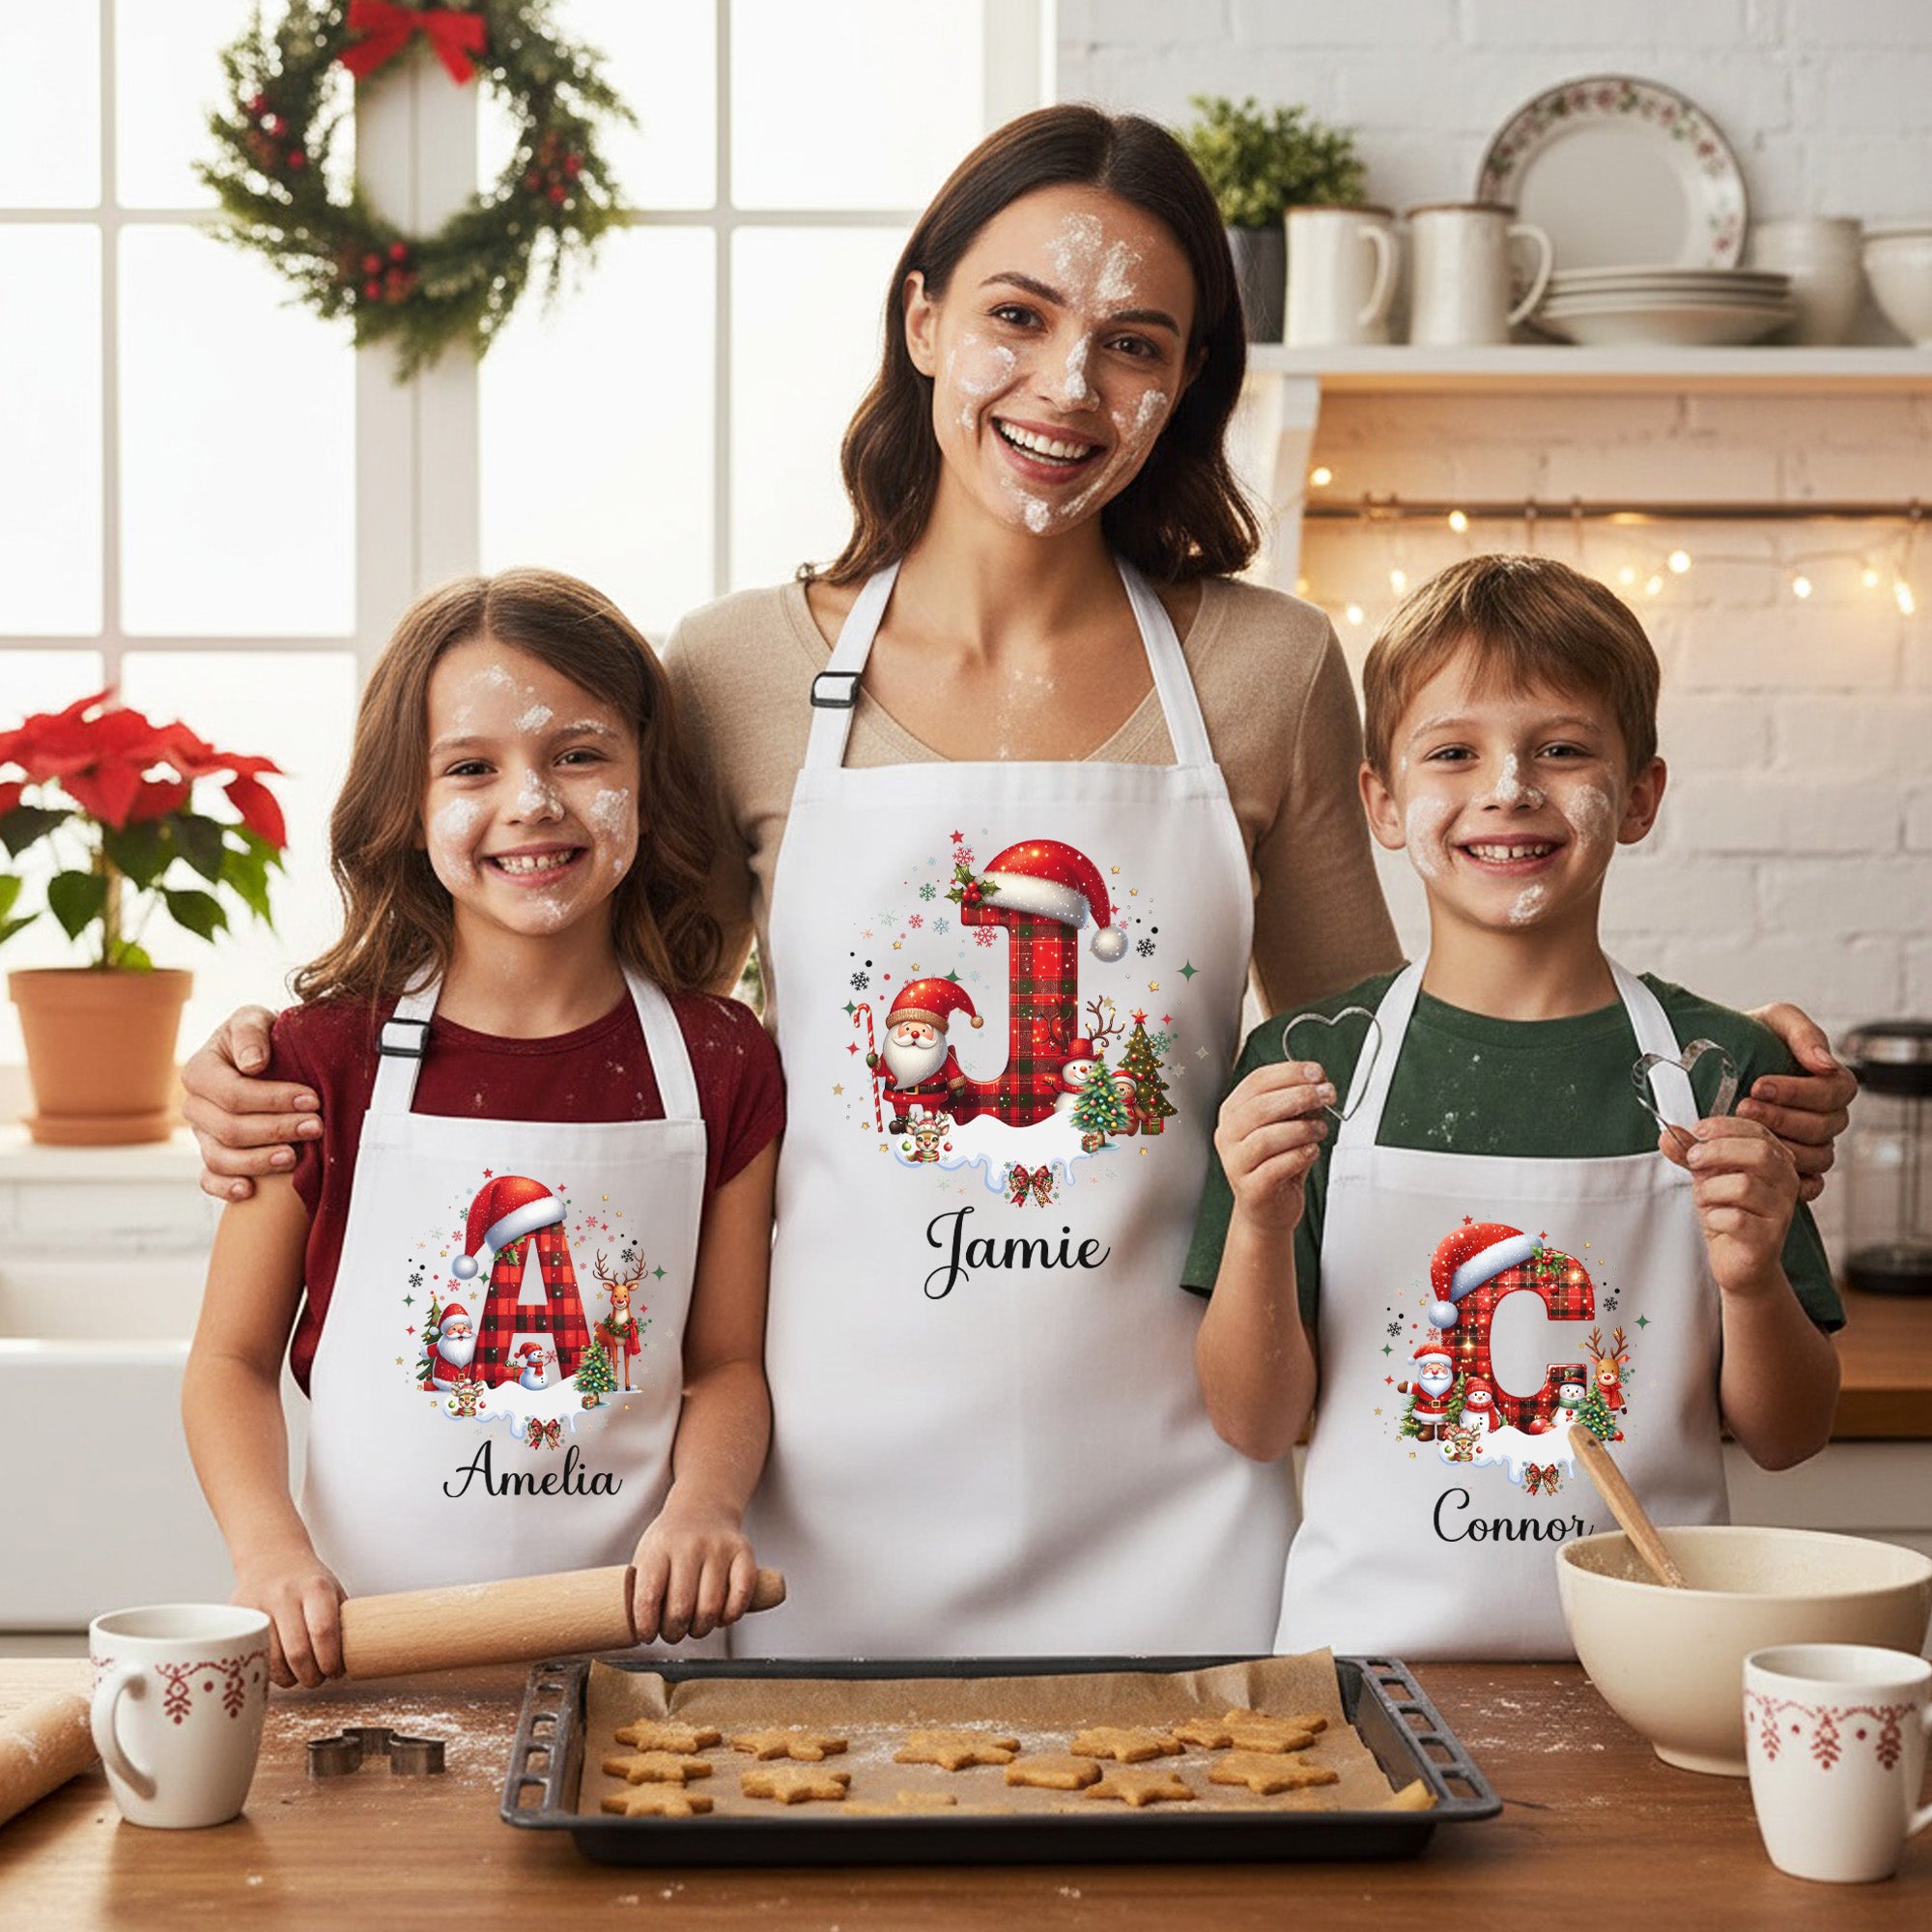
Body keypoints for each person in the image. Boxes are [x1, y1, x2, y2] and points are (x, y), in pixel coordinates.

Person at [179, 108, 1853, 1658]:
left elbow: (1400, 1050)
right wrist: (272, 1069)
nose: (1068, 388)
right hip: (811, 1504)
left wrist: (1713, 1077)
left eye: (1135, 345)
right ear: (921, 324)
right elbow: (585, 1019)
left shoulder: (1263, 668)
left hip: (1186, 1490)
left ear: (1187, 383)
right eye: (1019, 316)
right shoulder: (740, 670)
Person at [1188, 554, 1843, 1660]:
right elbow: (1252, 1423)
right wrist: (1256, 1221)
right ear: (1382, 803)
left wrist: (1748, 1277)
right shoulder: (1305, 1062)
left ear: (1636, 796)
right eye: (1453, 752)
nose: (1509, 787)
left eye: (1562, 748)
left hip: (1657, 1673)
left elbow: (1788, 1434)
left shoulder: (1716, 1064)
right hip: (1369, 1671)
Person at [180, 570, 782, 1688]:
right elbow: (229, 1359)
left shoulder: (722, 1057)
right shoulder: (322, 1060)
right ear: (406, 810)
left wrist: (705, 1507)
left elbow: (726, 1363)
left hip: (635, 1672)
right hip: (365, 1656)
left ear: (648, 775)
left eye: (578, 753)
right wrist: (268, 1552)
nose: (532, 801)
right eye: (471, 767)